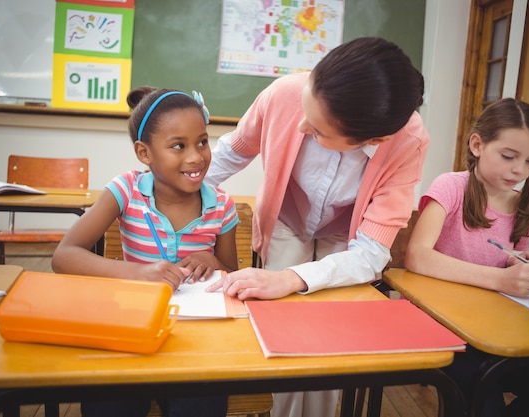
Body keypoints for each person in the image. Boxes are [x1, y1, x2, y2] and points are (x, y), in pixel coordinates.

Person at [206, 37, 428, 417]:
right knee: (285, 335)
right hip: (286, 220)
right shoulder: (286, 93)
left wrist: (292, 278)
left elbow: (371, 252)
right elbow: (230, 153)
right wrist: (157, 193)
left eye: (319, 131)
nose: (302, 124)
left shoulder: (407, 141)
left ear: (374, 140)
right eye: (306, 108)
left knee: (333, 339)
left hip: (349, 237)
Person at [52, 86, 239, 417]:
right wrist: (137, 272)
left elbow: (232, 274)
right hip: (132, 328)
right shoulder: (125, 190)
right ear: (144, 153)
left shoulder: (222, 205)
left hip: (196, 339)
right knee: (108, 399)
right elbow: (65, 256)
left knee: (201, 401)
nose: (196, 156)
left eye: (203, 142)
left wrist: (215, 262)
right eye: (178, 146)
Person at [405, 98, 529, 417]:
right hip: (444, 324)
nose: (520, 170)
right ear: (477, 144)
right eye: (509, 157)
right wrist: (500, 278)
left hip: (495, 329)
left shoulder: (523, 203)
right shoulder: (451, 187)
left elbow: (504, 256)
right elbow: (417, 256)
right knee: (482, 400)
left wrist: (519, 262)